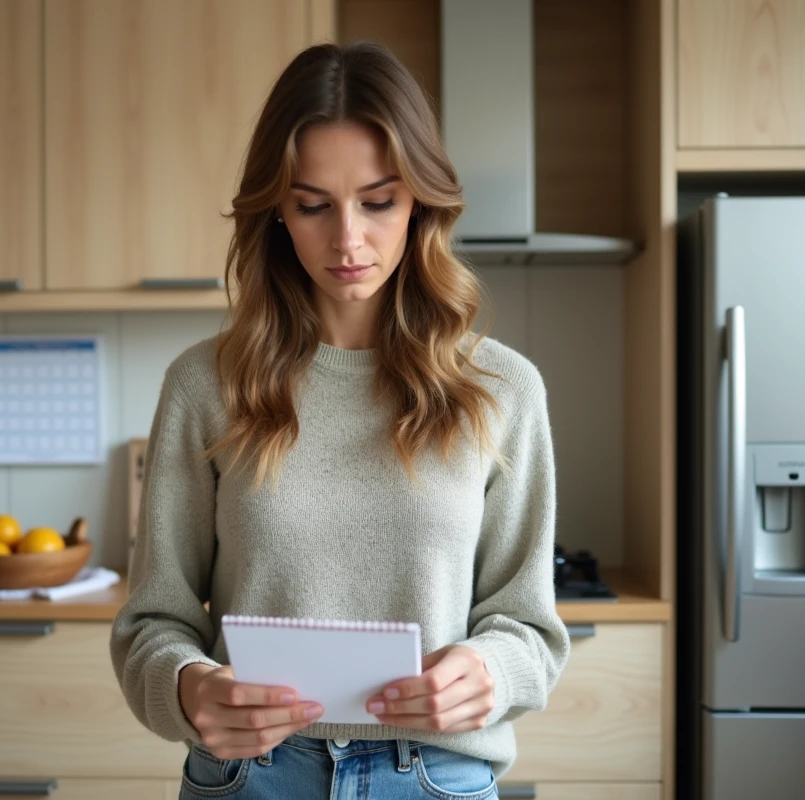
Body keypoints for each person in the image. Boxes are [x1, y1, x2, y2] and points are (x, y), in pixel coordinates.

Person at [111, 41, 570, 800]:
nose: (348, 239)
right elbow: (151, 621)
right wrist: (190, 689)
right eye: (313, 204)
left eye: (379, 200)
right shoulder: (204, 385)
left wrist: (491, 673)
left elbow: (530, 628)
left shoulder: (503, 389)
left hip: (435, 777)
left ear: (421, 199)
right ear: (277, 212)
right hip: (250, 779)